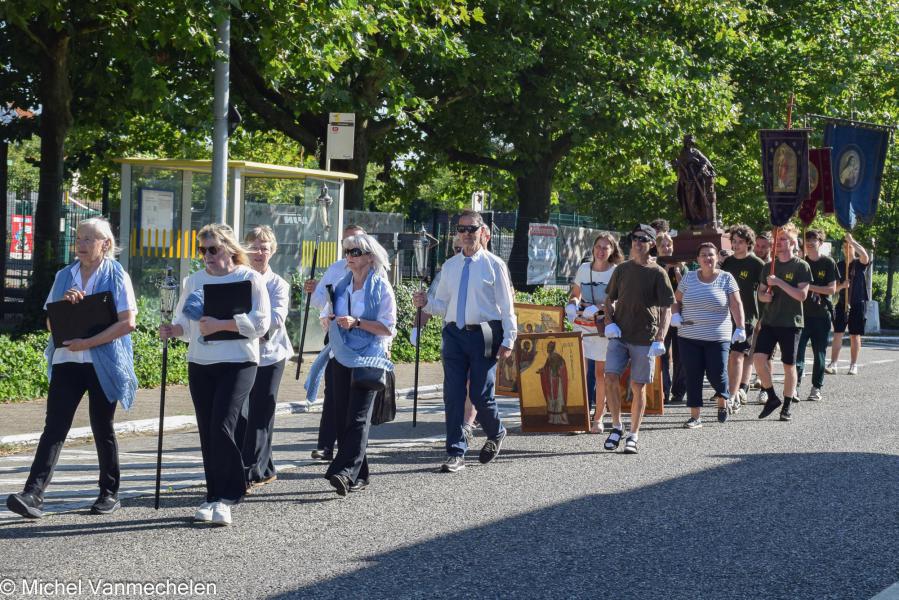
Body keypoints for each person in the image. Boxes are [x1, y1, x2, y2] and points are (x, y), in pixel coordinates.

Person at [6, 218, 137, 519]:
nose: (81, 244)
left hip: (102, 362)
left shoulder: (117, 275)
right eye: (79, 238)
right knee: (54, 427)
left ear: (106, 244)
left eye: (89, 239)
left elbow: (127, 322)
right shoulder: (64, 276)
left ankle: (109, 493)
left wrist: (90, 342)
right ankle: (33, 494)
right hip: (67, 361)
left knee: (102, 427)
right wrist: (67, 308)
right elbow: (51, 322)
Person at [161, 224, 271, 526]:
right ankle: (212, 496)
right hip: (201, 362)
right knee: (208, 432)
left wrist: (223, 325)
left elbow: (261, 324)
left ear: (229, 248)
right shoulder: (194, 280)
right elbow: (184, 321)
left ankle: (228, 496)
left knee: (223, 425)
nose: (206, 255)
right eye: (202, 250)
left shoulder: (249, 278)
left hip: (239, 362)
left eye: (212, 249)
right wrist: (174, 330)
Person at [413, 210, 516, 473]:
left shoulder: (494, 265)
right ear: (456, 233)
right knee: (453, 395)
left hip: (485, 332)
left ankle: (496, 431)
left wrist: (510, 339)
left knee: (481, 394)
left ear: (483, 232)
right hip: (454, 334)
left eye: (472, 229)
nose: (467, 234)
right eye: (462, 229)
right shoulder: (450, 266)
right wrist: (425, 303)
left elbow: (506, 306)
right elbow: (441, 305)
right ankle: (456, 452)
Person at [305, 233, 396, 495]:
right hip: (339, 354)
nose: (349, 257)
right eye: (347, 252)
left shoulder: (381, 287)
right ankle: (360, 472)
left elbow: (387, 327)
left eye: (355, 252)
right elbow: (327, 315)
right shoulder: (341, 286)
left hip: (369, 356)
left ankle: (345, 472)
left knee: (357, 417)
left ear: (369, 257)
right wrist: (332, 319)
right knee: (343, 415)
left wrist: (356, 323)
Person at [601, 224, 674, 454]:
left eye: (643, 239)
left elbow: (667, 308)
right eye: (635, 238)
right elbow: (608, 300)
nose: (637, 242)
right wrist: (609, 322)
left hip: (645, 337)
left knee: (638, 385)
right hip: (620, 334)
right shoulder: (621, 269)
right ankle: (616, 426)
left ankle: (633, 434)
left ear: (652, 244)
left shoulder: (658, 273)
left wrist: (660, 337)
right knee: (610, 377)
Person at [236, 226, 292, 491]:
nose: (259, 252)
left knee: (261, 412)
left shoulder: (278, 284)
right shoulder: (237, 279)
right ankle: (266, 468)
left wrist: (248, 329)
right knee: (242, 415)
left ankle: (249, 472)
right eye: (254, 247)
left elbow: (277, 319)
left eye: (265, 247)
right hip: (241, 354)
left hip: (270, 355)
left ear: (273, 252)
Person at [304, 224, 366, 461]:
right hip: (337, 334)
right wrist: (314, 291)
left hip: (362, 337)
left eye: (356, 245)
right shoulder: (335, 268)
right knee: (333, 390)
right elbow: (322, 301)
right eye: (346, 244)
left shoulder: (376, 270)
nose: (350, 250)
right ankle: (326, 444)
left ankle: (352, 448)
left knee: (357, 391)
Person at [672, 243, 745, 428]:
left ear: (716, 258)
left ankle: (722, 401)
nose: (708, 258)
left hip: (717, 337)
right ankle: (695, 416)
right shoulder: (688, 278)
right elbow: (676, 300)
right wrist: (676, 315)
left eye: (711, 255)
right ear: (698, 260)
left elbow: (736, 304)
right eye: (703, 255)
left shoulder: (726, 278)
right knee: (693, 374)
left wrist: (741, 327)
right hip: (688, 335)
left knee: (717, 372)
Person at [754, 225, 812, 422]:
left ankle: (786, 405)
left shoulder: (801, 266)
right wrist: (764, 297)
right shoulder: (768, 267)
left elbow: (801, 295)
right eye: (777, 240)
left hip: (791, 323)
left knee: (789, 366)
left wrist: (778, 283)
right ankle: (771, 396)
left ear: (793, 242)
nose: (778, 244)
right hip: (770, 321)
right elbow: (761, 294)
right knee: (758, 360)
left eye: (783, 240)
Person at [566, 232, 622, 433]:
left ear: (612, 250)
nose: (601, 251)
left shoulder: (615, 271)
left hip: (601, 327)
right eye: (598, 246)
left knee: (600, 373)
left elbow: (617, 300)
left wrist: (599, 307)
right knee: (580, 372)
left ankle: (598, 417)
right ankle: (581, 419)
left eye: (606, 247)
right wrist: (572, 306)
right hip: (582, 324)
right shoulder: (583, 268)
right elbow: (575, 293)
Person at [721, 225, 765, 410]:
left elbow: (764, 294)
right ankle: (736, 389)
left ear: (749, 243)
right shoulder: (727, 263)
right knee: (731, 357)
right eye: (734, 242)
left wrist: (761, 318)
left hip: (748, 317)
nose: (736, 245)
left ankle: (734, 394)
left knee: (738, 355)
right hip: (725, 317)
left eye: (740, 242)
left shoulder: (757, 264)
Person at [796, 230, 838, 401]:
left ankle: (816, 387)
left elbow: (831, 289)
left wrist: (809, 287)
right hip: (801, 315)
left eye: (814, 240)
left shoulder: (828, 262)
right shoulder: (800, 262)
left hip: (821, 315)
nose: (810, 243)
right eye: (807, 240)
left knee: (819, 353)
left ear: (820, 242)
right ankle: (795, 386)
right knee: (797, 354)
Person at [827, 234, 871, 375]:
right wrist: (842, 286)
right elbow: (834, 288)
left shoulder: (859, 264)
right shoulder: (839, 265)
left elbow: (865, 255)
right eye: (845, 247)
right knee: (838, 333)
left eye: (849, 247)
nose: (847, 249)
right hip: (842, 303)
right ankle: (833, 363)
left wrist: (853, 241)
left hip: (858, 303)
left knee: (854, 335)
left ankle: (853, 364)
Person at [656, 232, 687, 405]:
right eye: (663, 246)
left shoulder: (682, 265)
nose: (667, 249)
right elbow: (659, 289)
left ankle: (679, 391)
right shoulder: (656, 265)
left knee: (680, 354)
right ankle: (663, 390)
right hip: (662, 315)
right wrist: (666, 271)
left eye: (669, 245)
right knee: (662, 354)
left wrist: (676, 270)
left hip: (680, 315)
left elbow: (685, 290)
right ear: (658, 248)